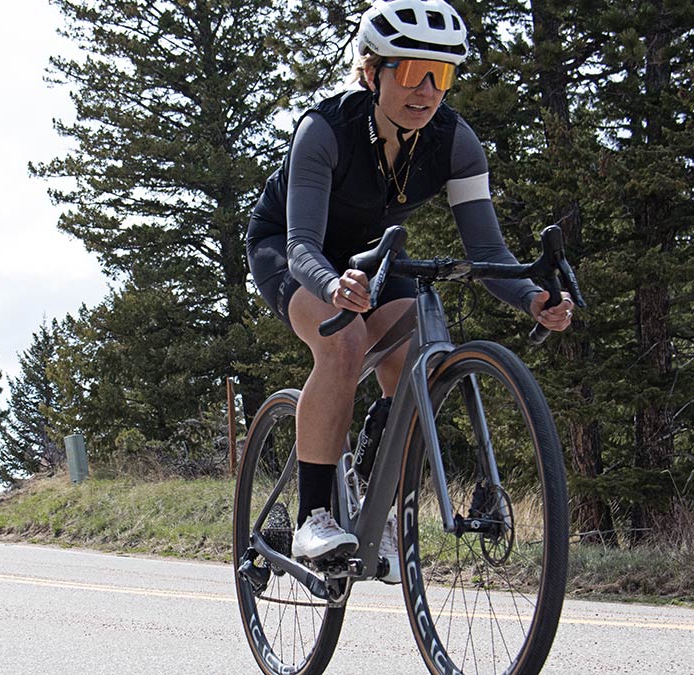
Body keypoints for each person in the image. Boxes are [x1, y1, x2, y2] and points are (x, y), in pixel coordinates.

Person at [245, 0, 574, 583]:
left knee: (413, 352)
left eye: (441, 74)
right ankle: (314, 515)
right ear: (372, 73)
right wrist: (331, 284)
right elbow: (300, 247)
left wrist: (531, 298)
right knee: (343, 344)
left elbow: (489, 253)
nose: (426, 89)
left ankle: (382, 497)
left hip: (375, 251)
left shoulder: (455, 141)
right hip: (292, 248)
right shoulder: (324, 130)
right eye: (410, 71)